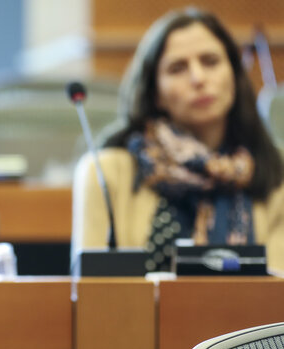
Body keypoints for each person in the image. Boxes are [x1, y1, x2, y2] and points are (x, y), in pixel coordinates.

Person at [72, 8, 284, 274]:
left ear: (234, 75)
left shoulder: (276, 171)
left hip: (256, 317)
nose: (198, 78)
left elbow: (279, 296)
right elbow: (93, 296)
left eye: (210, 61)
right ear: (155, 91)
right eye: (177, 68)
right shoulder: (105, 173)